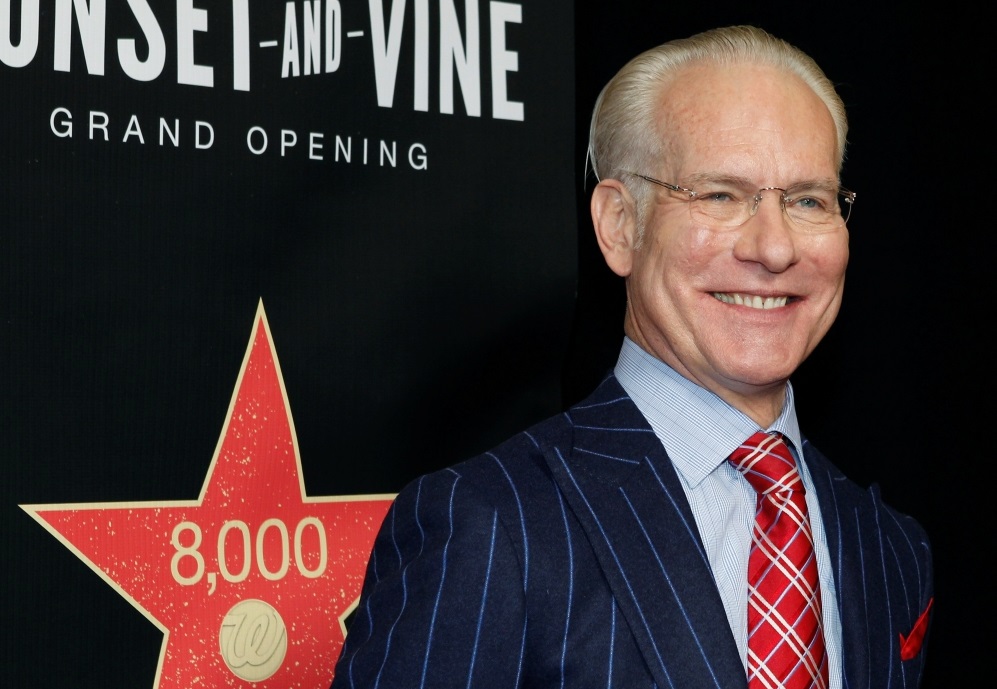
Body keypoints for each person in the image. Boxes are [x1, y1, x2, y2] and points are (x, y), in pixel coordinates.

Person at [331, 25, 933, 689]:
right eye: (720, 194)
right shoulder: (488, 525)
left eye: (808, 200)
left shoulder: (889, 545)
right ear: (620, 225)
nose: (774, 248)